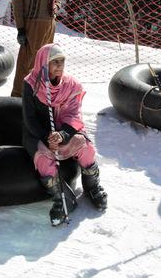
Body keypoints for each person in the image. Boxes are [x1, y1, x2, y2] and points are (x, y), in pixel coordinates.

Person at [22, 43, 107, 226]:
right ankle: (63, 198)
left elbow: (74, 115)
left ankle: (92, 186)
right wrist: (46, 136)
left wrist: (62, 135)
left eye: (62, 61)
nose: (60, 66)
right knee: (44, 161)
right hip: (38, 133)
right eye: (55, 62)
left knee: (86, 148)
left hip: (64, 131)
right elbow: (29, 118)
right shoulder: (31, 84)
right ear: (43, 64)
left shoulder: (70, 84)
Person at [10, 0, 63, 97]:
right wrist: (20, 28)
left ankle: (38, 96)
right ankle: (18, 98)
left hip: (49, 24)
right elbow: (17, 1)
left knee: (45, 63)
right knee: (26, 64)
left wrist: (57, 7)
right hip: (31, 24)